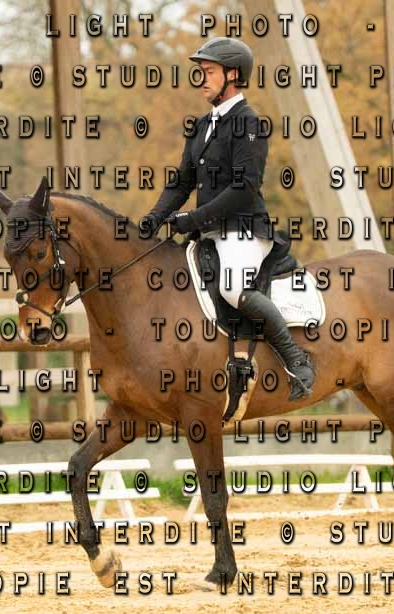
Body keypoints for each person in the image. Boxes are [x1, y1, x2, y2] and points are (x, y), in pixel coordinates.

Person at [141, 37, 316, 401]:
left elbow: (243, 189)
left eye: (209, 72)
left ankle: (297, 360)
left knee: (234, 289)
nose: (201, 79)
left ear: (233, 75)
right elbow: (182, 181)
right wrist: (155, 217)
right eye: (201, 72)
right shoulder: (202, 125)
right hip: (208, 234)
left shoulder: (249, 123)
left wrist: (192, 219)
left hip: (243, 231)